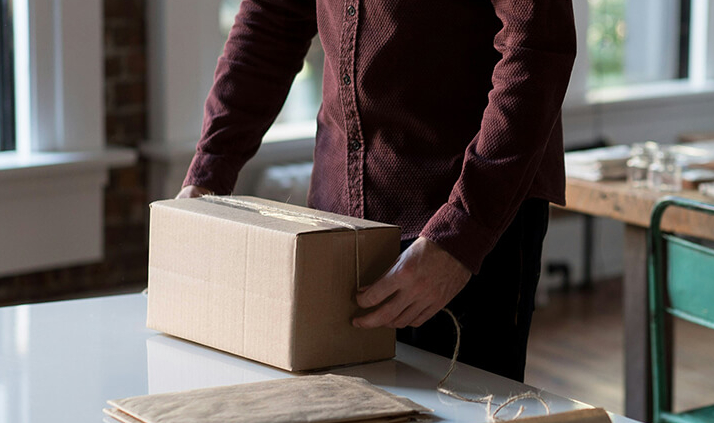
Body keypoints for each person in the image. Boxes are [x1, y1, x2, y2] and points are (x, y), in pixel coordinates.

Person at [175, 0, 576, 383]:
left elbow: (537, 47)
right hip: (336, 221)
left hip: (464, 223)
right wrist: (207, 175)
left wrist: (462, 234)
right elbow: (270, 21)